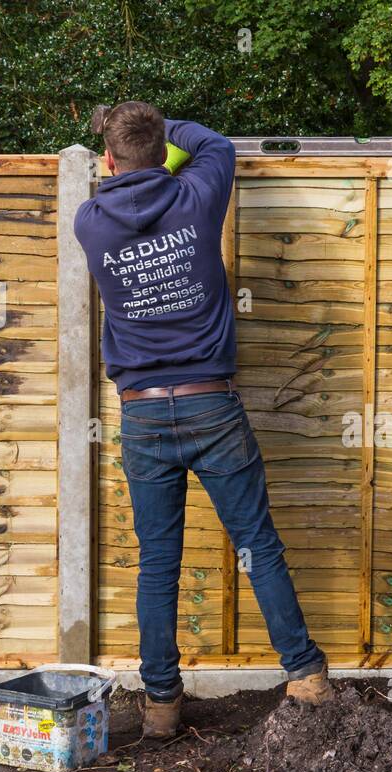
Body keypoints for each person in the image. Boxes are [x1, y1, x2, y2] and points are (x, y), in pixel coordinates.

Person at [74, 101, 332, 738]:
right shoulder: (197, 192)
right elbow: (213, 140)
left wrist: (120, 137)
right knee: (256, 545)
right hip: (210, 404)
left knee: (157, 563)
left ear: (107, 162)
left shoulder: (91, 222)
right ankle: (306, 678)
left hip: (141, 416)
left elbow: (131, 165)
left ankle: (161, 705)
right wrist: (165, 135)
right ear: (164, 151)